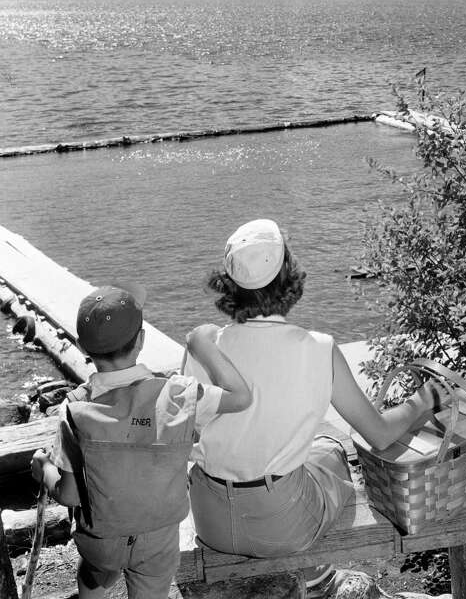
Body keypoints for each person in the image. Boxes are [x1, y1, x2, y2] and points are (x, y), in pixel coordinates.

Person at [185, 218, 443, 579]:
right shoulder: (319, 349)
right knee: (331, 452)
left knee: (310, 452)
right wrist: (427, 398)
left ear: (229, 285)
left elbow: (198, 433)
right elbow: (380, 434)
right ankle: (317, 575)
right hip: (281, 527)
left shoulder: (206, 347)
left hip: (208, 518)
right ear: (289, 277)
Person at [31, 283, 252, 599]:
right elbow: (241, 396)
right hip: (158, 539)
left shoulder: (74, 409)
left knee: (93, 573)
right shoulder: (179, 395)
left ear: (81, 348)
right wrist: (204, 346)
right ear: (142, 340)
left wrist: (43, 469)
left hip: (100, 542)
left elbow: (68, 494)